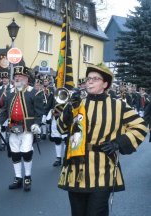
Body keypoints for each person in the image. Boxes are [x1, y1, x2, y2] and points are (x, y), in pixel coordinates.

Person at [57, 64, 148, 216]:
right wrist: (69, 108)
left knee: (96, 213)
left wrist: (118, 143)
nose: (89, 82)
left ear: (105, 84)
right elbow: (61, 128)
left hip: (102, 170)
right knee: (78, 213)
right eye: (88, 79)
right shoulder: (77, 103)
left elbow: (141, 126)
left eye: (95, 79)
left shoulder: (118, 105)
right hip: (75, 169)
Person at [0, 66, 44, 191]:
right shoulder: (9, 92)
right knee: (15, 153)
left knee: (26, 151)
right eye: (16, 77)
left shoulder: (34, 92)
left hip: (27, 127)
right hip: (12, 127)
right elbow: (5, 111)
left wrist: (37, 124)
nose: (17, 79)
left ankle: (27, 176)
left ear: (27, 79)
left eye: (20, 77)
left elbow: (39, 112)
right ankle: (18, 178)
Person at [0, 71, 13, 151]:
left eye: (6, 78)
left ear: (9, 79)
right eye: (3, 79)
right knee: (2, 128)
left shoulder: (12, 88)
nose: (4, 80)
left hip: (10, 111)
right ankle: (3, 143)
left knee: (11, 127)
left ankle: (11, 143)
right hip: (1, 111)